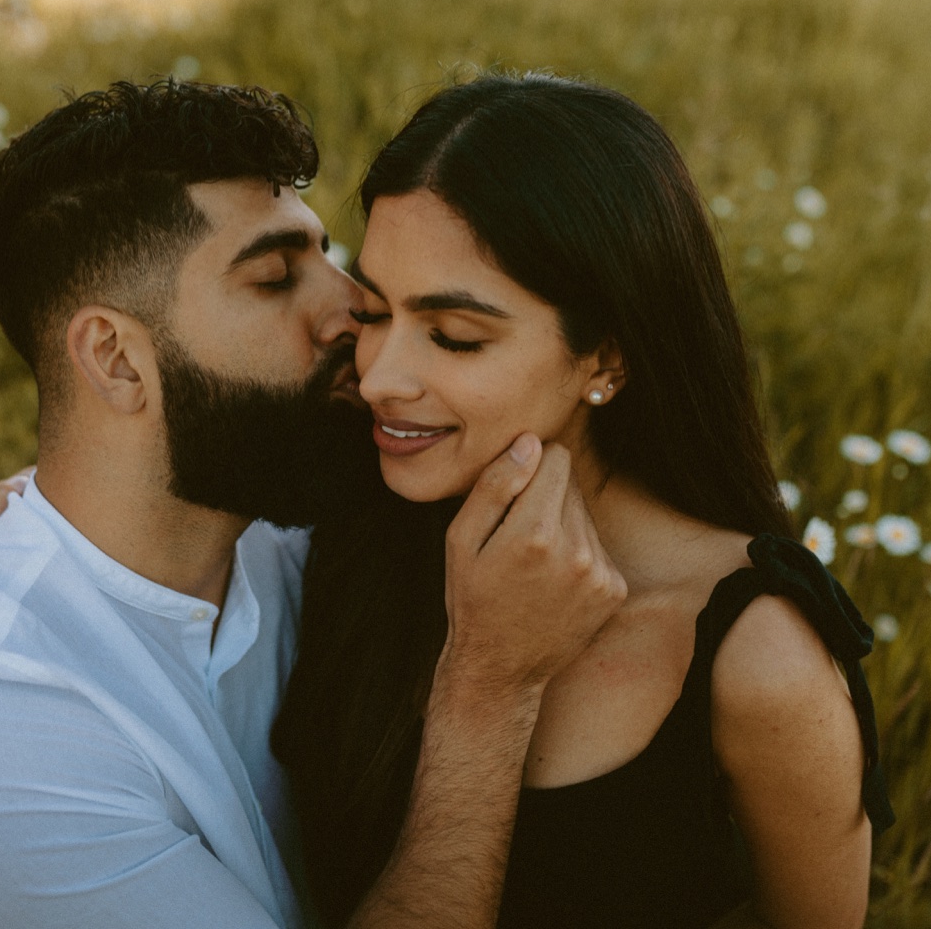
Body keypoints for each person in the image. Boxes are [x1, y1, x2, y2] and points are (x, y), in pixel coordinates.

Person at [0, 80, 627, 929]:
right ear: (118, 360)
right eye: (276, 279)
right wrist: (487, 693)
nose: (354, 310)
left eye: (327, 256)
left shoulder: (273, 529)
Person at [271, 73, 895, 929]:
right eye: (375, 309)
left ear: (605, 357)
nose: (379, 377)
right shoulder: (351, 506)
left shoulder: (756, 659)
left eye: (455, 336)